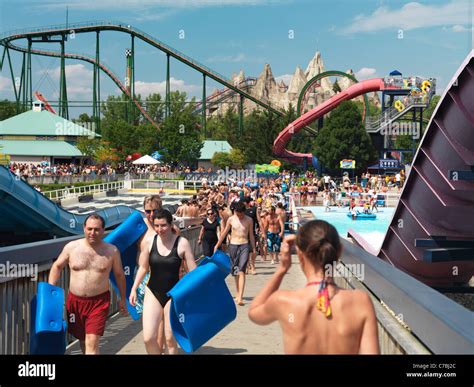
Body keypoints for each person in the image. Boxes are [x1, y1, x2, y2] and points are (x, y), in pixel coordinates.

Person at [248, 220, 379, 354]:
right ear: (339, 251)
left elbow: (254, 312)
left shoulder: (284, 301)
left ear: (299, 254)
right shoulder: (360, 302)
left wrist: (282, 269)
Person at [48, 214, 127, 355]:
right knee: (83, 341)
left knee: (92, 341)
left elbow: (119, 275)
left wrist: (122, 299)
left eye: (97, 229)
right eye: (89, 229)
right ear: (84, 228)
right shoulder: (71, 247)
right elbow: (56, 267)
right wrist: (50, 293)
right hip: (75, 302)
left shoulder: (111, 251)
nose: (92, 233)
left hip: (99, 302)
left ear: (103, 230)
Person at [130, 210, 197, 354]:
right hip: (152, 291)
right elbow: (143, 267)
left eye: (163, 225)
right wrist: (134, 288)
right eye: (157, 226)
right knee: (148, 338)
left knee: (170, 340)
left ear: (171, 224)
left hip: (173, 294)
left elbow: (193, 272)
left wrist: (196, 292)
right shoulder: (149, 242)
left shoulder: (182, 243)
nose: (160, 229)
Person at [214, 201, 256, 306]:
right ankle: (238, 293)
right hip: (233, 245)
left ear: (244, 212)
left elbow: (251, 235)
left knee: (242, 270)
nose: (239, 215)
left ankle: (240, 297)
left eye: (240, 213)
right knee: (236, 271)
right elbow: (224, 232)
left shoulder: (249, 220)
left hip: (244, 245)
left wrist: (254, 249)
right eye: (237, 213)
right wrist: (217, 245)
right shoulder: (231, 219)